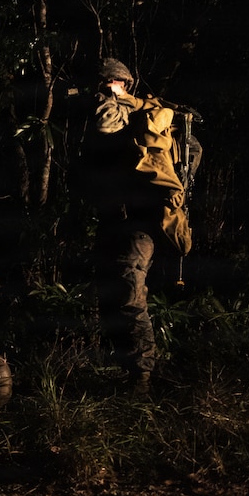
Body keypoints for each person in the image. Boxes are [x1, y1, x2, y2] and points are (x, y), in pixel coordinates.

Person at [78, 58, 190, 398]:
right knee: (111, 297)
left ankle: (142, 379)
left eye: (105, 84)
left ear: (118, 83)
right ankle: (128, 372)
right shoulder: (124, 115)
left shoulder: (127, 115)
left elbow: (106, 125)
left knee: (130, 298)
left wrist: (109, 98)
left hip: (136, 225)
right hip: (113, 220)